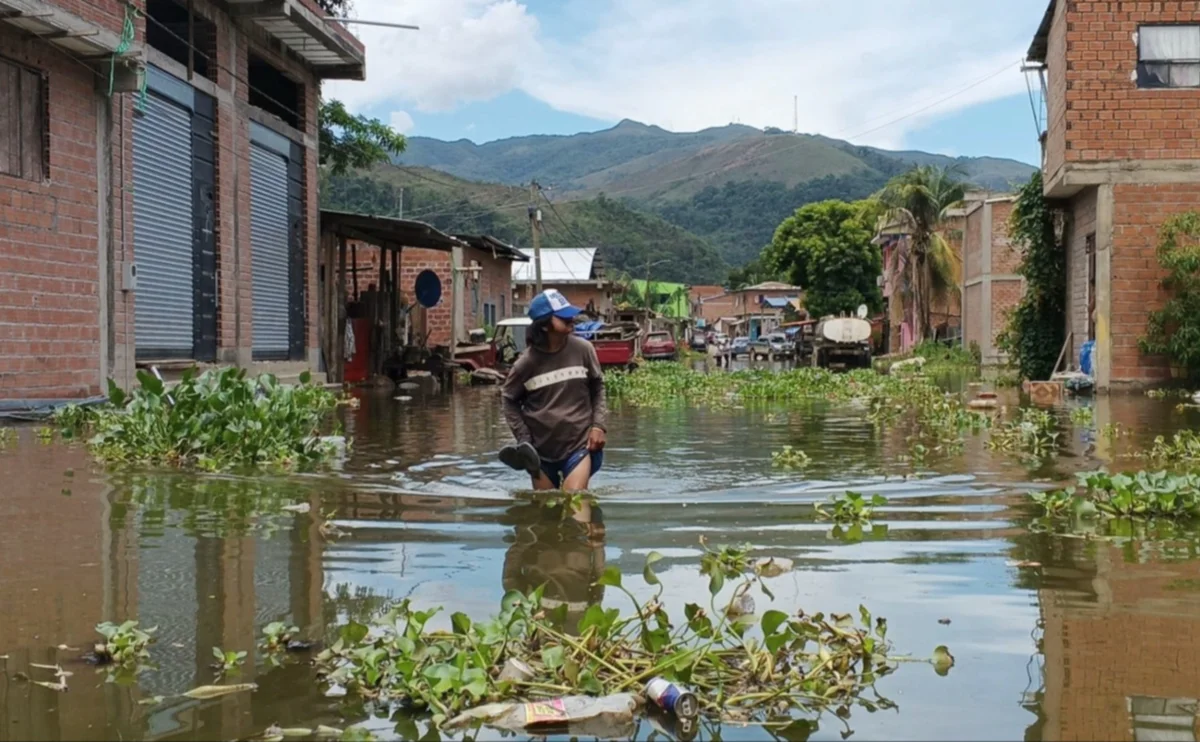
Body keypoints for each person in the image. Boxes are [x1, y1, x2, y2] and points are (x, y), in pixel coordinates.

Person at [499, 289, 608, 492]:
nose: (571, 319)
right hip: (540, 454)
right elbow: (508, 398)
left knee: (574, 501)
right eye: (563, 316)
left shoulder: (584, 350)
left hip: (578, 445)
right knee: (544, 513)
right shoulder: (526, 363)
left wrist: (598, 425)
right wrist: (524, 440)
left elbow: (598, 386)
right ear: (545, 325)